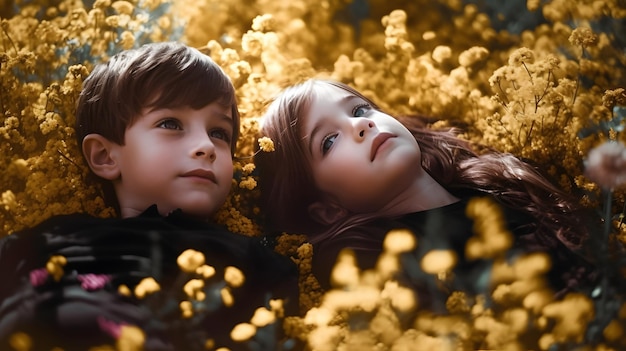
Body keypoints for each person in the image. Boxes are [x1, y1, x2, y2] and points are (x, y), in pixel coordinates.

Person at [0, 42, 298, 351]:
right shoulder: (53, 236)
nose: (206, 146)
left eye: (219, 133)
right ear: (105, 156)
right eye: (171, 124)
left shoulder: (256, 260)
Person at [255, 78, 597, 310]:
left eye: (359, 110)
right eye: (329, 141)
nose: (361, 125)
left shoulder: (502, 182)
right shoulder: (377, 260)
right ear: (328, 210)